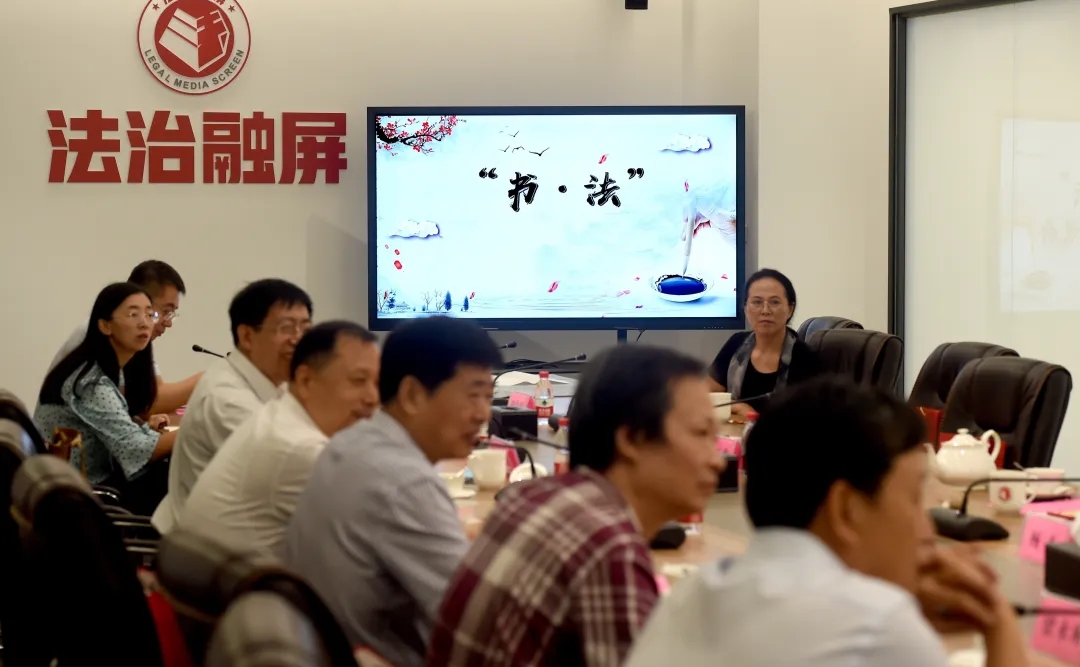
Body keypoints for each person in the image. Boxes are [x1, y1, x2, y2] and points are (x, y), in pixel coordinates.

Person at [624, 378, 1028, 667]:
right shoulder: (876, 623)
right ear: (847, 510)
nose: (927, 529)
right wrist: (997, 617)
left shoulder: (691, 594)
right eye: (912, 499)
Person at [427, 345, 726, 667]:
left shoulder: (531, 496)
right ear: (631, 440)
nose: (719, 460)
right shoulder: (608, 547)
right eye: (701, 433)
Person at [284, 316, 502, 667]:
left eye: (488, 397)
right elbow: (481, 625)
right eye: (472, 395)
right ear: (412, 395)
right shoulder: (405, 482)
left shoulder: (351, 441)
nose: (483, 414)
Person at [178, 321, 380, 557]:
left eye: (377, 383)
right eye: (358, 381)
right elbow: (375, 540)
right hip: (238, 578)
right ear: (305, 381)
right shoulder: (299, 449)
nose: (373, 398)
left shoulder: (280, 412)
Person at [152, 279, 312, 533]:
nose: (298, 340)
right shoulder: (227, 399)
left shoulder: (272, 382)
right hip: (207, 546)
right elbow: (295, 476)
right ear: (247, 336)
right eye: (286, 328)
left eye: (305, 328)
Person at [35, 282, 178, 514]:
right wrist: (192, 429)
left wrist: (144, 429)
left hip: (88, 483)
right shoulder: (91, 383)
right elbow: (134, 450)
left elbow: (119, 436)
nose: (145, 323)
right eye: (133, 314)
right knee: (178, 484)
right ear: (105, 325)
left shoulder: (105, 369)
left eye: (149, 314)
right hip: (83, 497)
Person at [48, 260, 201, 415]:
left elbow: (142, 398)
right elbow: (148, 402)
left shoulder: (134, 337)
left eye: (172, 314)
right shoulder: (104, 331)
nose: (168, 323)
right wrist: (206, 380)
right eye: (166, 311)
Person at [707, 268, 823, 420]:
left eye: (774, 302)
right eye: (757, 302)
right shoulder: (736, 344)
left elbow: (810, 419)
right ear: (746, 308)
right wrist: (739, 407)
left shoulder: (804, 358)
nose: (765, 310)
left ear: (790, 309)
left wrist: (755, 419)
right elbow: (707, 396)